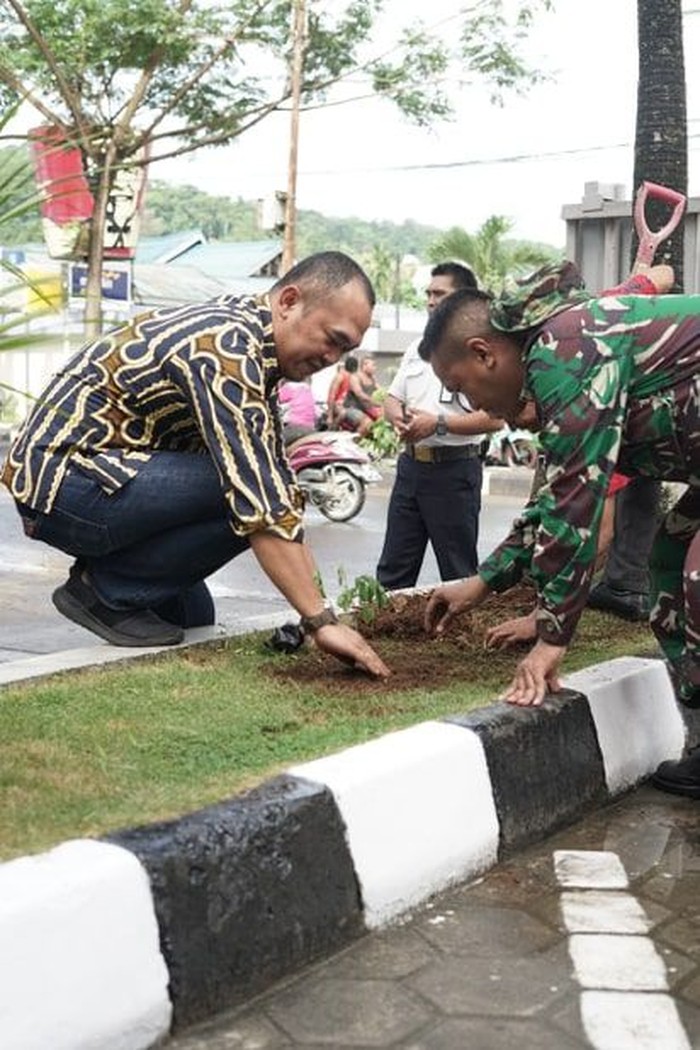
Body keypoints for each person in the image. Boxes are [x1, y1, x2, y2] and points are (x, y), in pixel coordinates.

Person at [1, 251, 390, 678]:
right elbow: (261, 496)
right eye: (332, 338)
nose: (333, 357)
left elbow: (276, 496)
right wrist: (320, 621)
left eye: (346, 349)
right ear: (289, 301)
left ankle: (120, 595)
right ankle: (105, 590)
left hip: (105, 478)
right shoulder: (225, 345)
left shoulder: (255, 348)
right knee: (251, 487)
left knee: (193, 619)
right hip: (66, 483)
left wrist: (320, 611)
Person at [418, 261, 700, 727]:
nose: (472, 405)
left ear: (483, 353)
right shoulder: (561, 363)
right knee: (668, 562)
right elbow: (554, 500)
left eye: (459, 387)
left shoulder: (563, 351)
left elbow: (577, 504)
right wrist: (483, 582)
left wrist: (553, 637)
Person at [376, 262, 504, 590]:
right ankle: (385, 635)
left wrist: (438, 425)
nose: (431, 301)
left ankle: (461, 634)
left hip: (454, 471)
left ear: (462, 299)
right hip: (410, 468)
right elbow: (392, 399)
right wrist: (399, 418)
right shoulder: (417, 349)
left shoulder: (481, 349)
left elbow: (496, 417)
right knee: (394, 568)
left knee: (458, 568)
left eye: (440, 294)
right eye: (428, 294)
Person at [338, 351, 381, 436]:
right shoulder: (355, 377)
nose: (375, 368)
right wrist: (375, 402)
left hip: (365, 410)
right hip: (351, 408)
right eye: (373, 365)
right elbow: (359, 394)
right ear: (364, 366)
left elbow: (381, 391)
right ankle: (356, 445)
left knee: (382, 421)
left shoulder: (372, 378)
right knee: (367, 423)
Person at [278, 378, 317, 443]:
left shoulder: (289, 387)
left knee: (275, 444)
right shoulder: (307, 388)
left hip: (294, 426)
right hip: (310, 427)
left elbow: (275, 398)